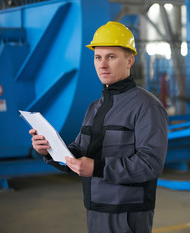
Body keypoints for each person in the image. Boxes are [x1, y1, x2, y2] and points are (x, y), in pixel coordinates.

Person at [29, 21, 168, 233]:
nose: (102, 64)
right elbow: (78, 153)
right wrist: (47, 149)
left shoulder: (147, 106)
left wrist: (97, 168)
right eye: (97, 57)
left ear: (130, 60)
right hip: (95, 208)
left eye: (111, 57)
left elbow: (150, 165)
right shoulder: (95, 107)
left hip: (127, 214)